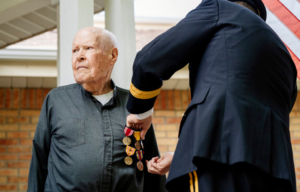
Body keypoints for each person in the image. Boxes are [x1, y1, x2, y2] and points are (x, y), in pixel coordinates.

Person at [126, 0, 298, 191]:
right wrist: (182, 156)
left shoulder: (221, 8)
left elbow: (148, 60)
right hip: (277, 171)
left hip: (215, 163)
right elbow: (250, 128)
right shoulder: (286, 59)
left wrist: (141, 111)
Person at [27, 27, 167, 192]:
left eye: (88, 48)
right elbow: (39, 161)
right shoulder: (56, 100)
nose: (79, 56)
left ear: (112, 55)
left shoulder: (135, 104)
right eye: (75, 50)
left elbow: (152, 164)